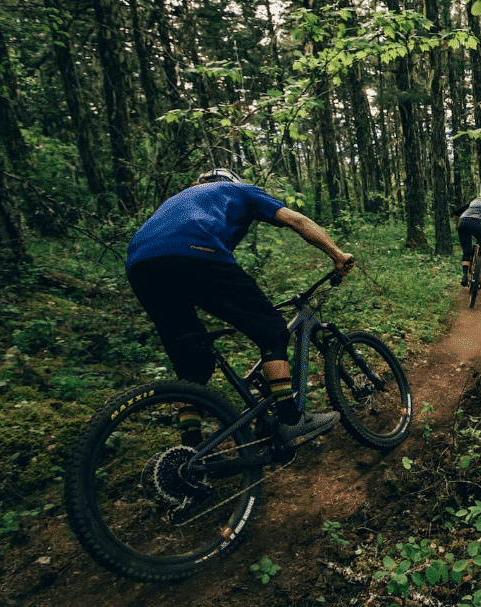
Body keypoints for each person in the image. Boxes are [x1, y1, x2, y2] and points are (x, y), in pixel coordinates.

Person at [126, 168, 355, 446]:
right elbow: (296, 219)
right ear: (232, 182)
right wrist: (337, 255)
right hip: (195, 251)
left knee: (193, 364)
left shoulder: (178, 200)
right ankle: (291, 420)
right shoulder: (241, 190)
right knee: (272, 331)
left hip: (140, 264)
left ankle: (192, 448)